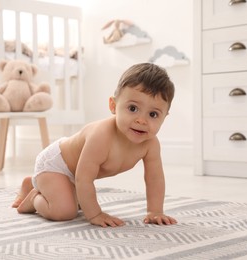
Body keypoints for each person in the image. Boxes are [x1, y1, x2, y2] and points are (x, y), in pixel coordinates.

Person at [12, 63, 177, 227]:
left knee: (77, 201)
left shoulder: (150, 145)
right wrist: (95, 214)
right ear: (113, 106)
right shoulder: (101, 136)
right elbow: (83, 178)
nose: (141, 120)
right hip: (56, 164)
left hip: (76, 174)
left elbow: (154, 178)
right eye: (133, 108)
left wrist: (155, 211)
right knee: (65, 211)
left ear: (164, 117)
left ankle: (34, 183)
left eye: (153, 114)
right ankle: (34, 196)